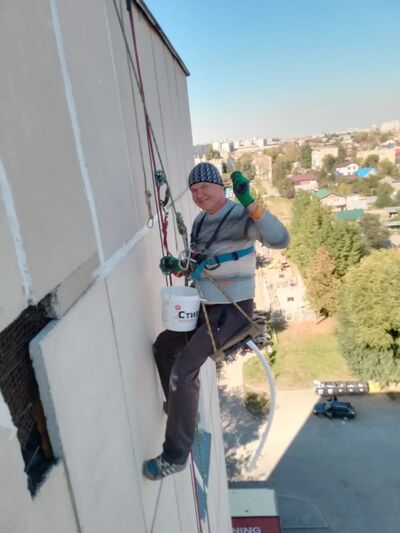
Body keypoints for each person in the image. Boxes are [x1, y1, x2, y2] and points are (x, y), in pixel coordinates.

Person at [143, 162, 289, 481]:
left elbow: (280, 239)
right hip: (205, 308)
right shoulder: (199, 222)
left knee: (184, 370)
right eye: (194, 190)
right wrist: (178, 267)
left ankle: (175, 456)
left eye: (205, 188)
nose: (199, 195)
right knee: (164, 347)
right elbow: (200, 265)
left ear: (220, 188)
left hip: (231, 311)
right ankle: (180, 410)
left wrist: (250, 202)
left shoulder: (241, 216)